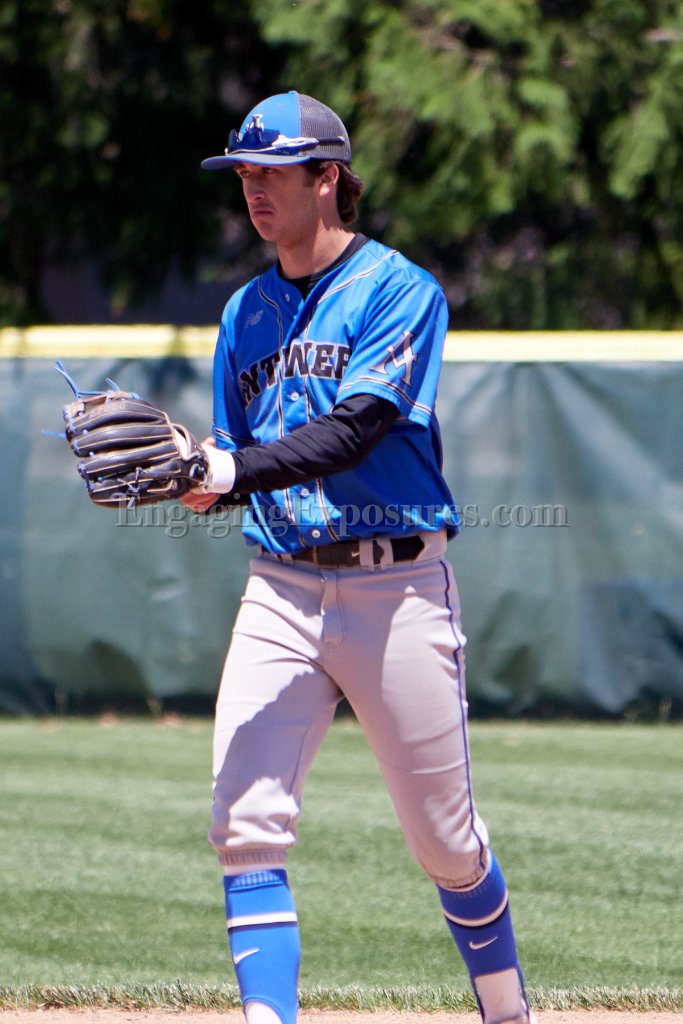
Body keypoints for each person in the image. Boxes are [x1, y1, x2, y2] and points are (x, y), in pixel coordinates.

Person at [182, 90, 531, 1024]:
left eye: (271, 173)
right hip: (280, 588)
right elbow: (240, 455)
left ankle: (506, 1011)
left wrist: (232, 468)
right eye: (243, 175)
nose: (253, 191)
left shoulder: (397, 290)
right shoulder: (244, 312)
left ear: (327, 177)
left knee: (446, 845)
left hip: (397, 589)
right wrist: (195, 473)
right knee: (243, 822)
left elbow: (355, 428)